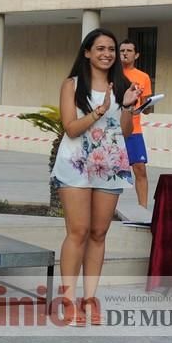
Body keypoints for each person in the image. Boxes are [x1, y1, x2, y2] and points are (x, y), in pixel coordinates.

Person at [51, 28, 140, 326]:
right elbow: (71, 129)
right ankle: (67, 298)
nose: (107, 54)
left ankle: (90, 298)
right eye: (100, 48)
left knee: (99, 233)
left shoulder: (123, 85)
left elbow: (125, 131)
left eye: (111, 49)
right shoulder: (72, 85)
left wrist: (126, 106)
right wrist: (99, 111)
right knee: (78, 231)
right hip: (76, 163)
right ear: (87, 52)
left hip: (110, 163)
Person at [119, 39, 153, 208]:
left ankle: (143, 209)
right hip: (113, 130)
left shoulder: (143, 77)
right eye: (122, 50)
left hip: (134, 130)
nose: (124, 53)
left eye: (129, 50)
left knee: (140, 168)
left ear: (136, 54)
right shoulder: (111, 74)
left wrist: (148, 104)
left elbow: (147, 108)